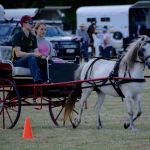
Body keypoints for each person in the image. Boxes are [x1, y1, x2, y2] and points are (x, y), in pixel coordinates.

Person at [12, 15, 46, 83]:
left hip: (29, 60)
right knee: (31, 57)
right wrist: (33, 54)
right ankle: (38, 81)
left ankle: (48, 82)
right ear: (24, 24)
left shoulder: (33, 37)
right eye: (30, 22)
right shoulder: (17, 35)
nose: (33, 24)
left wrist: (44, 57)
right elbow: (18, 54)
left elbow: (37, 53)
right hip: (17, 61)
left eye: (33, 22)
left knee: (44, 61)